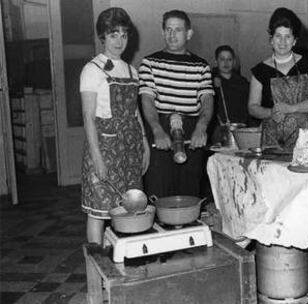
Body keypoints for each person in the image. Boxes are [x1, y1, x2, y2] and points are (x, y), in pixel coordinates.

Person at [80, 7, 150, 245]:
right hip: (105, 146)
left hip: (129, 147)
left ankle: (121, 264)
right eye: (113, 34)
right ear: (103, 37)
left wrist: (144, 145)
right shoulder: (92, 70)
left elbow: (135, 112)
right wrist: (97, 156)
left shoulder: (132, 70)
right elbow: (88, 117)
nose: (119, 41)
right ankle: (96, 268)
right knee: (99, 210)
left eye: (124, 34)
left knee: (130, 207)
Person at [138, 10, 214, 197]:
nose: (172, 35)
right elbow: (147, 100)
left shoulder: (201, 66)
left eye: (178, 30)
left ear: (189, 34)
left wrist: (201, 127)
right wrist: (156, 130)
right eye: (168, 29)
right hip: (160, 130)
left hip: (191, 131)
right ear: (163, 32)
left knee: (190, 193)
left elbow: (207, 99)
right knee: (159, 194)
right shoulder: (149, 63)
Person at [248, 7, 308, 151]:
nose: (283, 42)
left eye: (288, 36)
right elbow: (252, 107)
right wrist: (270, 112)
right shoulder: (260, 71)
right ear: (271, 39)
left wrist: (293, 108)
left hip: (304, 137)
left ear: (294, 40)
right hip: (272, 140)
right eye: (278, 36)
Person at [210, 45, 250, 144]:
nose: (226, 63)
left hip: (241, 130)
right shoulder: (210, 81)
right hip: (218, 132)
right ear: (216, 61)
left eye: (229, 59)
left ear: (234, 61)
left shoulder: (242, 82)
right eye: (222, 59)